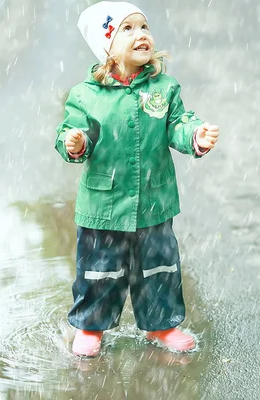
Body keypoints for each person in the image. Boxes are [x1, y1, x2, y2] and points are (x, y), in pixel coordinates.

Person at [55, 1, 219, 357]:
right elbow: (72, 130)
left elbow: (178, 122)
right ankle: (90, 326)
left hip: (153, 201)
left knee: (159, 267)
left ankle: (161, 326)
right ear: (106, 49)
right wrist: (76, 142)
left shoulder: (163, 88)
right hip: (104, 205)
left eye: (143, 27)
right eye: (126, 29)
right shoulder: (86, 95)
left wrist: (195, 136)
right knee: (99, 270)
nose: (140, 34)